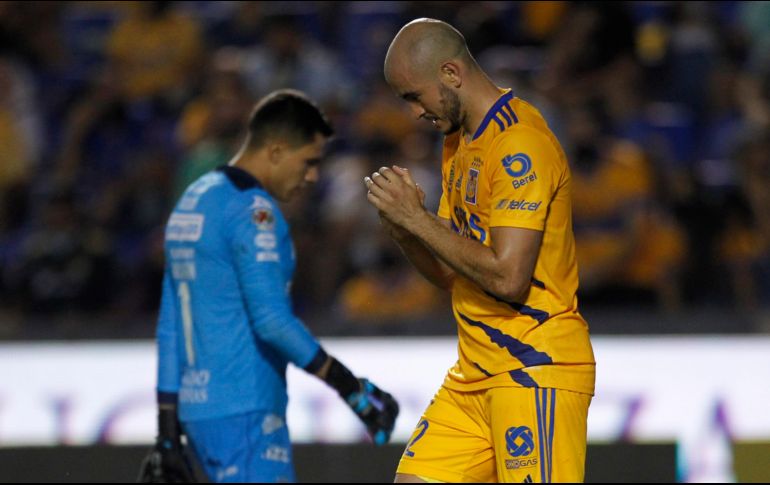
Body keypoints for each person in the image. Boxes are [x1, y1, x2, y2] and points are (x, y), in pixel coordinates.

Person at [364, 19, 596, 483]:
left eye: (414, 96)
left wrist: (418, 219)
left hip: (533, 369)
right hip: (474, 372)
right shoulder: (459, 141)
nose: (413, 113)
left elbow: (508, 279)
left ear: (451, 73)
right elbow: (454, 271)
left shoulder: (520, 146)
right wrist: (405, 231)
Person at [143, 89, 399, 483]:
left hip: (199, 417)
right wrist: (351, 388)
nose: (312, 177)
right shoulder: (254, 212)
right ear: (277, 151)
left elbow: (170, 325)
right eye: (309, 162)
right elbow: (271, 322)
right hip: (247, 410)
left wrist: (166, 428)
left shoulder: (192, 202)